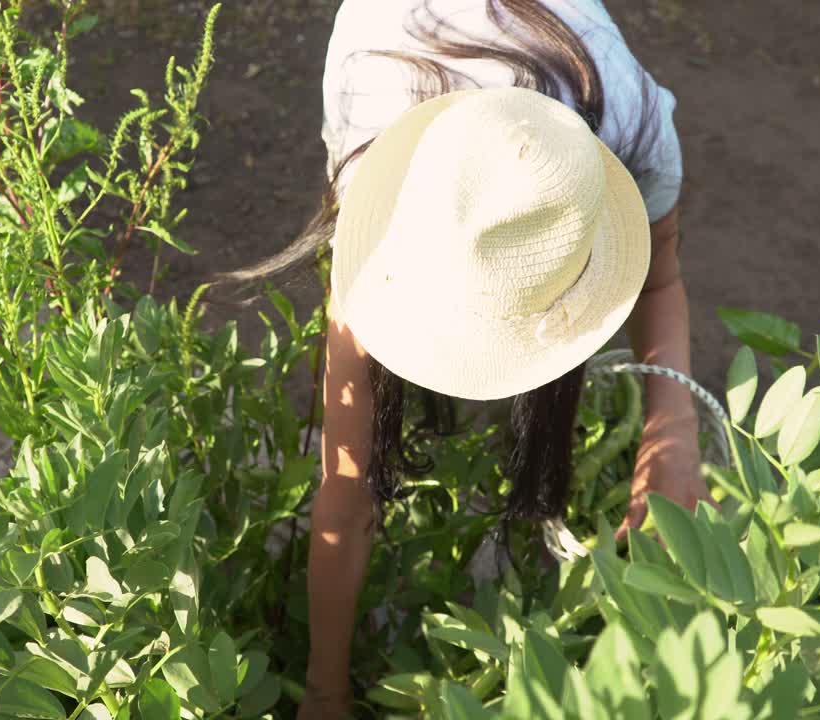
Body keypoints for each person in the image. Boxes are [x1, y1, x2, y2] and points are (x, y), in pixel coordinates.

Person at [225, 1, 710, 716]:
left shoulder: (631, 123)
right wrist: (325, 692)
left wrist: (674, 426)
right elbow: (348, 486)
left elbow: (661, 276)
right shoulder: (373, 135)